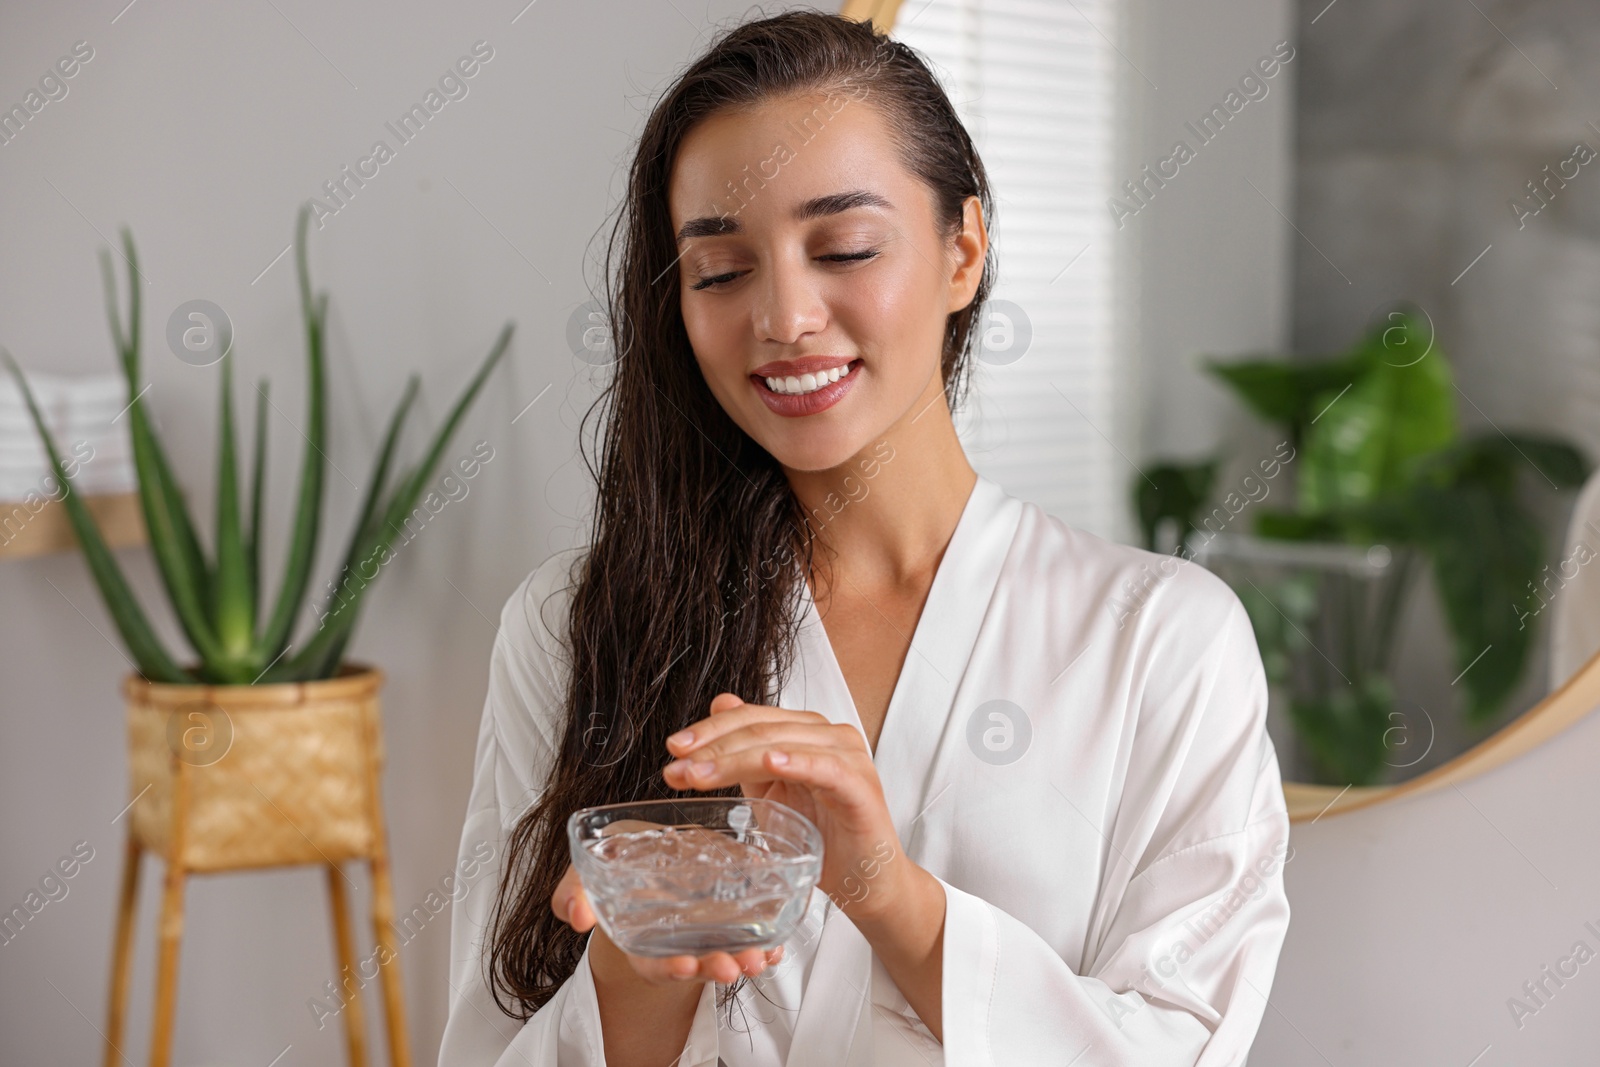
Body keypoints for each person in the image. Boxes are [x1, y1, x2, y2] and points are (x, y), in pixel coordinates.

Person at [438, 10, 1290, 1066]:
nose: (784, 314)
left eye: (842, 246)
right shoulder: (573, 628)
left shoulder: (1160, 638)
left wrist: (888, 894)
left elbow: (1183, 1044)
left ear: (962, 250)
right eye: (719, 270)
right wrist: (638, 951)